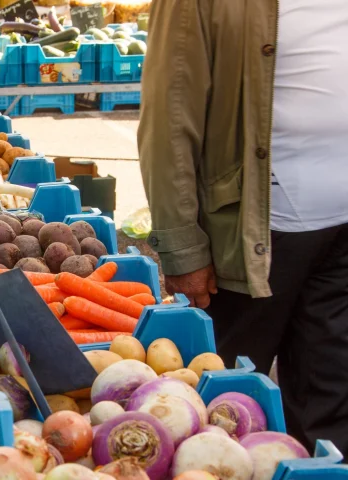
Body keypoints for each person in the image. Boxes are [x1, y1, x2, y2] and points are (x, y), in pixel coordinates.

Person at [138, 0, 348, 456]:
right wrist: (181, 244)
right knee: (221, 411)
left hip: (340, 231)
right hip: (249, 235)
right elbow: (170, 116)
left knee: (331, 398)